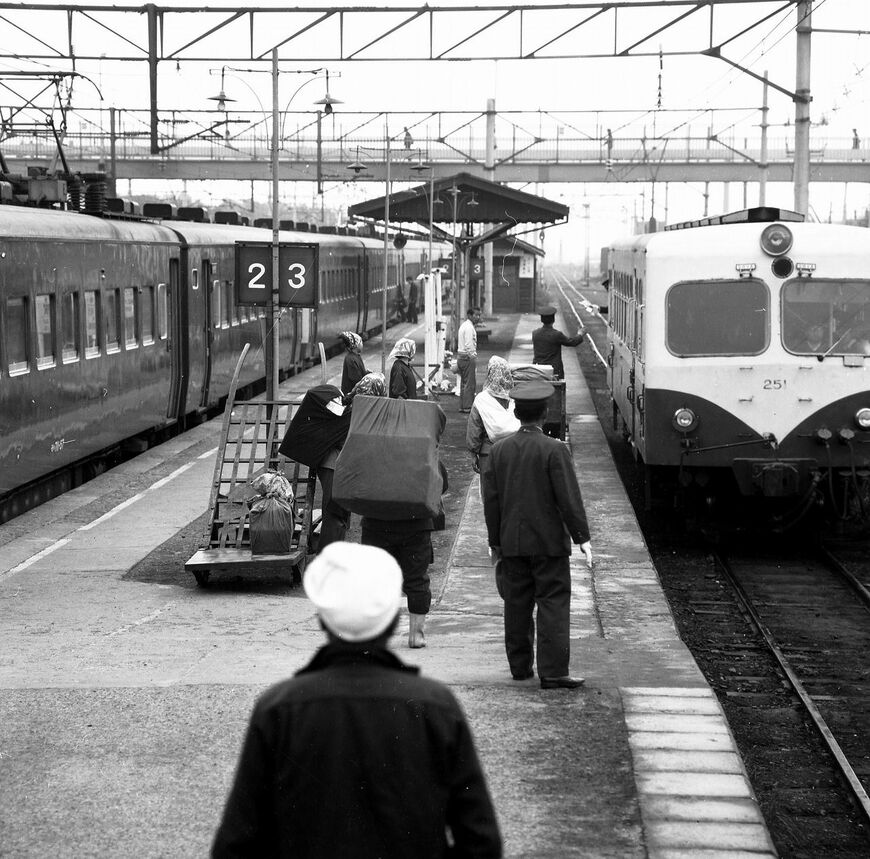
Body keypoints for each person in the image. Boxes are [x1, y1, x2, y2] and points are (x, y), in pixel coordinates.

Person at [212, 542, 502, 859]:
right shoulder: (436, 707)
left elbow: (236, 843)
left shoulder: (278, 709)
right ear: (392, 620)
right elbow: (481, 841)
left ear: (323, 621)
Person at [482, 381, 593, 690]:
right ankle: (554, 671)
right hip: (549, 545)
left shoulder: (499, 450)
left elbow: (491, 502)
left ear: (515, 412)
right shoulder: (555, 450)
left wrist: (495, 542)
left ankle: (519, 667)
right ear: (545, 413)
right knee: (553, 602)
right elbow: (568, 499)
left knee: (516, 604)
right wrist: (581, 537)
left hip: (512, 544)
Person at [361, 404, 447, 649]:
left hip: (377, 524)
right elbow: (442, 484)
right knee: (417, 579)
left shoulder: (372, 447)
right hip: (415, 526)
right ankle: (416, 635)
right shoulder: (423, 450)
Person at [466, 356, 520, 483]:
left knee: (490, 493)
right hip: (512, 452)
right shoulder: (514, 397)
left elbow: (474, 429)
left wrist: (473, 454)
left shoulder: (482, 399)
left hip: (488, 454)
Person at [532, 306, 584, 380]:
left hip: (538, 369)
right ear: (553, 320)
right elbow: (572, 342)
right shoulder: (556, 335)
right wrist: (580, 334)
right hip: (554, 371)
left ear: (542, 320)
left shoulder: (535, 333)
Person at [456, 306, 481, 413]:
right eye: (476, 315)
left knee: (463, 383)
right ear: (470, 315)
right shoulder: (469, 328)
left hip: (461, 357)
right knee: (470, 383)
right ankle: (467, 406)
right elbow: (469, 345)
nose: (478, 317)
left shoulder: (464, 325)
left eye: (479, 315)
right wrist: (473, 356)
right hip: (467, 357)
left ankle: (463, 405)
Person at [339, 330, 367, 395]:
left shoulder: (356, 356)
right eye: (361, 342)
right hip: (351, 394)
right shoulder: (351, 359)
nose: (362, 344)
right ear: (356, 345)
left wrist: (366, 373)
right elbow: (355, 378)